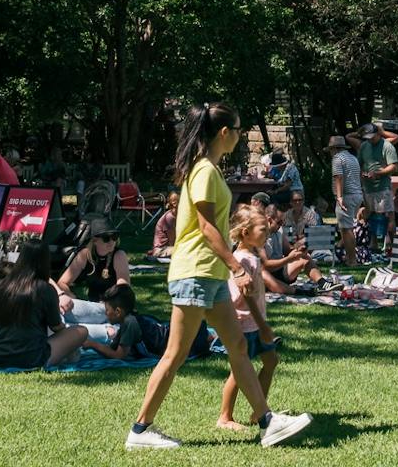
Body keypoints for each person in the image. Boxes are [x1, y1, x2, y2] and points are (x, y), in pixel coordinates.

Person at [129, 103, 310, 450]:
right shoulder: (205, 171)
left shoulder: (206, 169)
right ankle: (140, 430)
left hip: (208, 275)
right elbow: (207, 228)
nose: (240, 135)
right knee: (175, 355)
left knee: (238, 346)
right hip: (196, 272)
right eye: (239, 129)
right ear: (224, 133)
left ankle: (268, 422)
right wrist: (237, 267)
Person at [220, 206, 284, 432]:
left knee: (270, 361)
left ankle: (259, 411)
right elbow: (243, 298)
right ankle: (225, 417)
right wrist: (263, 325)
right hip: (245, 324)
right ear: (245, 233)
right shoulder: (240, 261)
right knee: (238, 371)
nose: (267, 233)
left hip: (256, 323)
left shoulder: (252, 257)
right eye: (263, 229)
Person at [0, 239, 88, 368]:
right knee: (81, 331)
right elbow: (56, 326)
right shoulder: (45, 289)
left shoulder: (2, 286)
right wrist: (67, 336)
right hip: (32, 358)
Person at [57, 218, 130, 323]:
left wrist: (108, 303)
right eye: (106, 238)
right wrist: (74, 298)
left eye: (114, 237)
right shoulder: (85, 255)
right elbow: (62, 282)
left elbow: (123, 287)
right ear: (95, 240)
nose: (112, 241)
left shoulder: (119, 255)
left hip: (114, 307)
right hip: (92, 306)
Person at [355, 123, 398, 258]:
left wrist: (379, 173)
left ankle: (392, 245)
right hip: (368, 187)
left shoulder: (387, 146)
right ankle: (373, 244)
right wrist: (362, 173)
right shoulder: (364, 146)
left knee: (389, 216)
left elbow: (394, 166)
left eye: (372, 136)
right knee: (371, 216)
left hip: (383, 187)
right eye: (368, 137)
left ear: (378, 133)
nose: (370, 139)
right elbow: (359, 164)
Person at [330, 134, 364, 268]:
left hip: (347, 196)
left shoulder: (337, 158)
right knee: (347, 228)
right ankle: (349, 257)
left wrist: (339, 197)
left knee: (346, 229)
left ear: (334, 149)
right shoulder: (352, 158)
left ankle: (352, 260)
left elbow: (339, 177)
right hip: (357, 195)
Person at [151, 188, 180, 258]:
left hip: (169, 248)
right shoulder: (169, 218)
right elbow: (172, 241)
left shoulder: (176, 217)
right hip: (161, 250)